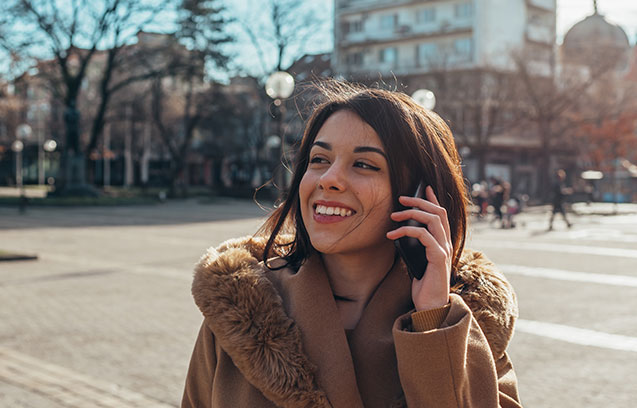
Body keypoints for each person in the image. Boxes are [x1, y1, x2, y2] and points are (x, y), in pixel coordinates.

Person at [182, 81, 522, 408]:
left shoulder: (472, 319)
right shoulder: (239, 306)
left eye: (364, 164)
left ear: (421, 195)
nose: (328, 179)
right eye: (318, 160)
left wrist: (434, 318)